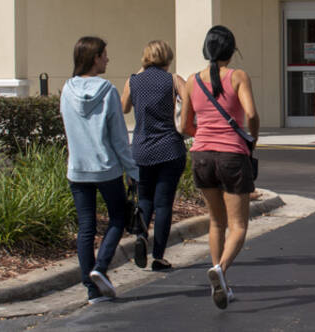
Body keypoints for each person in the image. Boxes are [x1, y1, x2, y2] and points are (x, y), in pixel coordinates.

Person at [180, 24, 259, 310]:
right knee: (238, 225)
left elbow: (184, 125)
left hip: (201, 154)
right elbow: (250, 113)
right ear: (231, 49)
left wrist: (203, 133)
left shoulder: (191, 81)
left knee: (216, 222)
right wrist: (252, 140)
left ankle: (218, 275)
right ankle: (221, 271)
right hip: (232, 155)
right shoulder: (238, 76)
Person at [60, 35, 139, 303]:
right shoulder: (107, 91)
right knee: (118, 219)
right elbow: (118, 138)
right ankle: (100, 268)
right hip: (106, 169)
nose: (108, 59)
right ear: (95, 58)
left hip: (78, 169)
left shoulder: (66, 89)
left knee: (86, 228)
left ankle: (92, 290)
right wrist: (133, 171)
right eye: (105, 55)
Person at [121, 38, 188, 272]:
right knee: (164, 204)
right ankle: (159, 256)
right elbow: (189, 105)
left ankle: (141, 236)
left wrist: (141, 71)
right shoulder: (174, 80)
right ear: (167, 58)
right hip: (169, 149)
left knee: (145, 199)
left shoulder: (134, 81)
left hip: (141, 150)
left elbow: (123, 107)